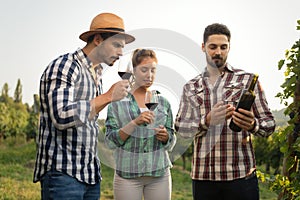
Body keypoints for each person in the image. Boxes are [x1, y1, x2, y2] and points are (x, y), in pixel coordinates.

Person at [33, 12, 135, 199]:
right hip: (63, 174)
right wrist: (107, 97)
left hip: (89, 174)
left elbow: (88, 119)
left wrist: (108, 99)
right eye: (117, 45)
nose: (121, 53)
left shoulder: (96, 75)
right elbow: (61, 116)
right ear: (97, 39)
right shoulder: (65, 66)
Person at [175, 23, 276, 200]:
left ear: (229, 47)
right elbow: (180, 128)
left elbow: (269, 124)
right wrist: (206, 120)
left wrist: (253, 124)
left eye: (223, 47)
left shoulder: (248, 80)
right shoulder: (191, 87)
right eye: (212, 47)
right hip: (204, 178)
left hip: (241, 177)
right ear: (203, 47)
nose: (218, 52)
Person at [105, 49, 176, 200]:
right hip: (127, 176)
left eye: (153, 70)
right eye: (144, 70)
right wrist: (134, 123)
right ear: (133, 71)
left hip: (159, 174)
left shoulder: (163, 103)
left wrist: (165, 137)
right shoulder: (117, 102)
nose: (149, 75)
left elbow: (171, 141)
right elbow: (110, 141)